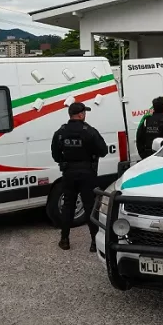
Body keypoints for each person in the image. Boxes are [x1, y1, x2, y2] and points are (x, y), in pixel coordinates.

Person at [51, 102, 109, 252]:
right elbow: (103, 150)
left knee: (68, 206)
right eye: (85, 113)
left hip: (68, 173)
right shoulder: (89, 131)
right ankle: (94, 243)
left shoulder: (61, 132)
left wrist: (66, 161)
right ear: (81, 114)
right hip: (86, 173)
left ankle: (64, 240)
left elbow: (55, 155)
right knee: (90, 206)